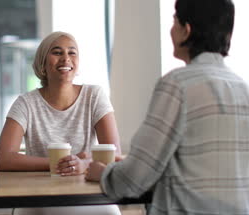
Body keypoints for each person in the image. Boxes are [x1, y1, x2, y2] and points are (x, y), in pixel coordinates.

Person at [86, 0, 249, 214]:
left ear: (186, 30)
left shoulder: (177, 85)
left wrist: (103, 173)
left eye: (174, 21)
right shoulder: (243, 88)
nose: (171, 30)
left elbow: (135, 176)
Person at [0, 31, 122, 215]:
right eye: (57, 52)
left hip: (87, 194)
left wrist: (84, 164)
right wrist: (56, 164)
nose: (66, 59)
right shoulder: (26, 103)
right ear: (43, 63)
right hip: (38, 195)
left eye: (72, 53)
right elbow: (4, 158)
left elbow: (115, 153)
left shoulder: (94, 96)